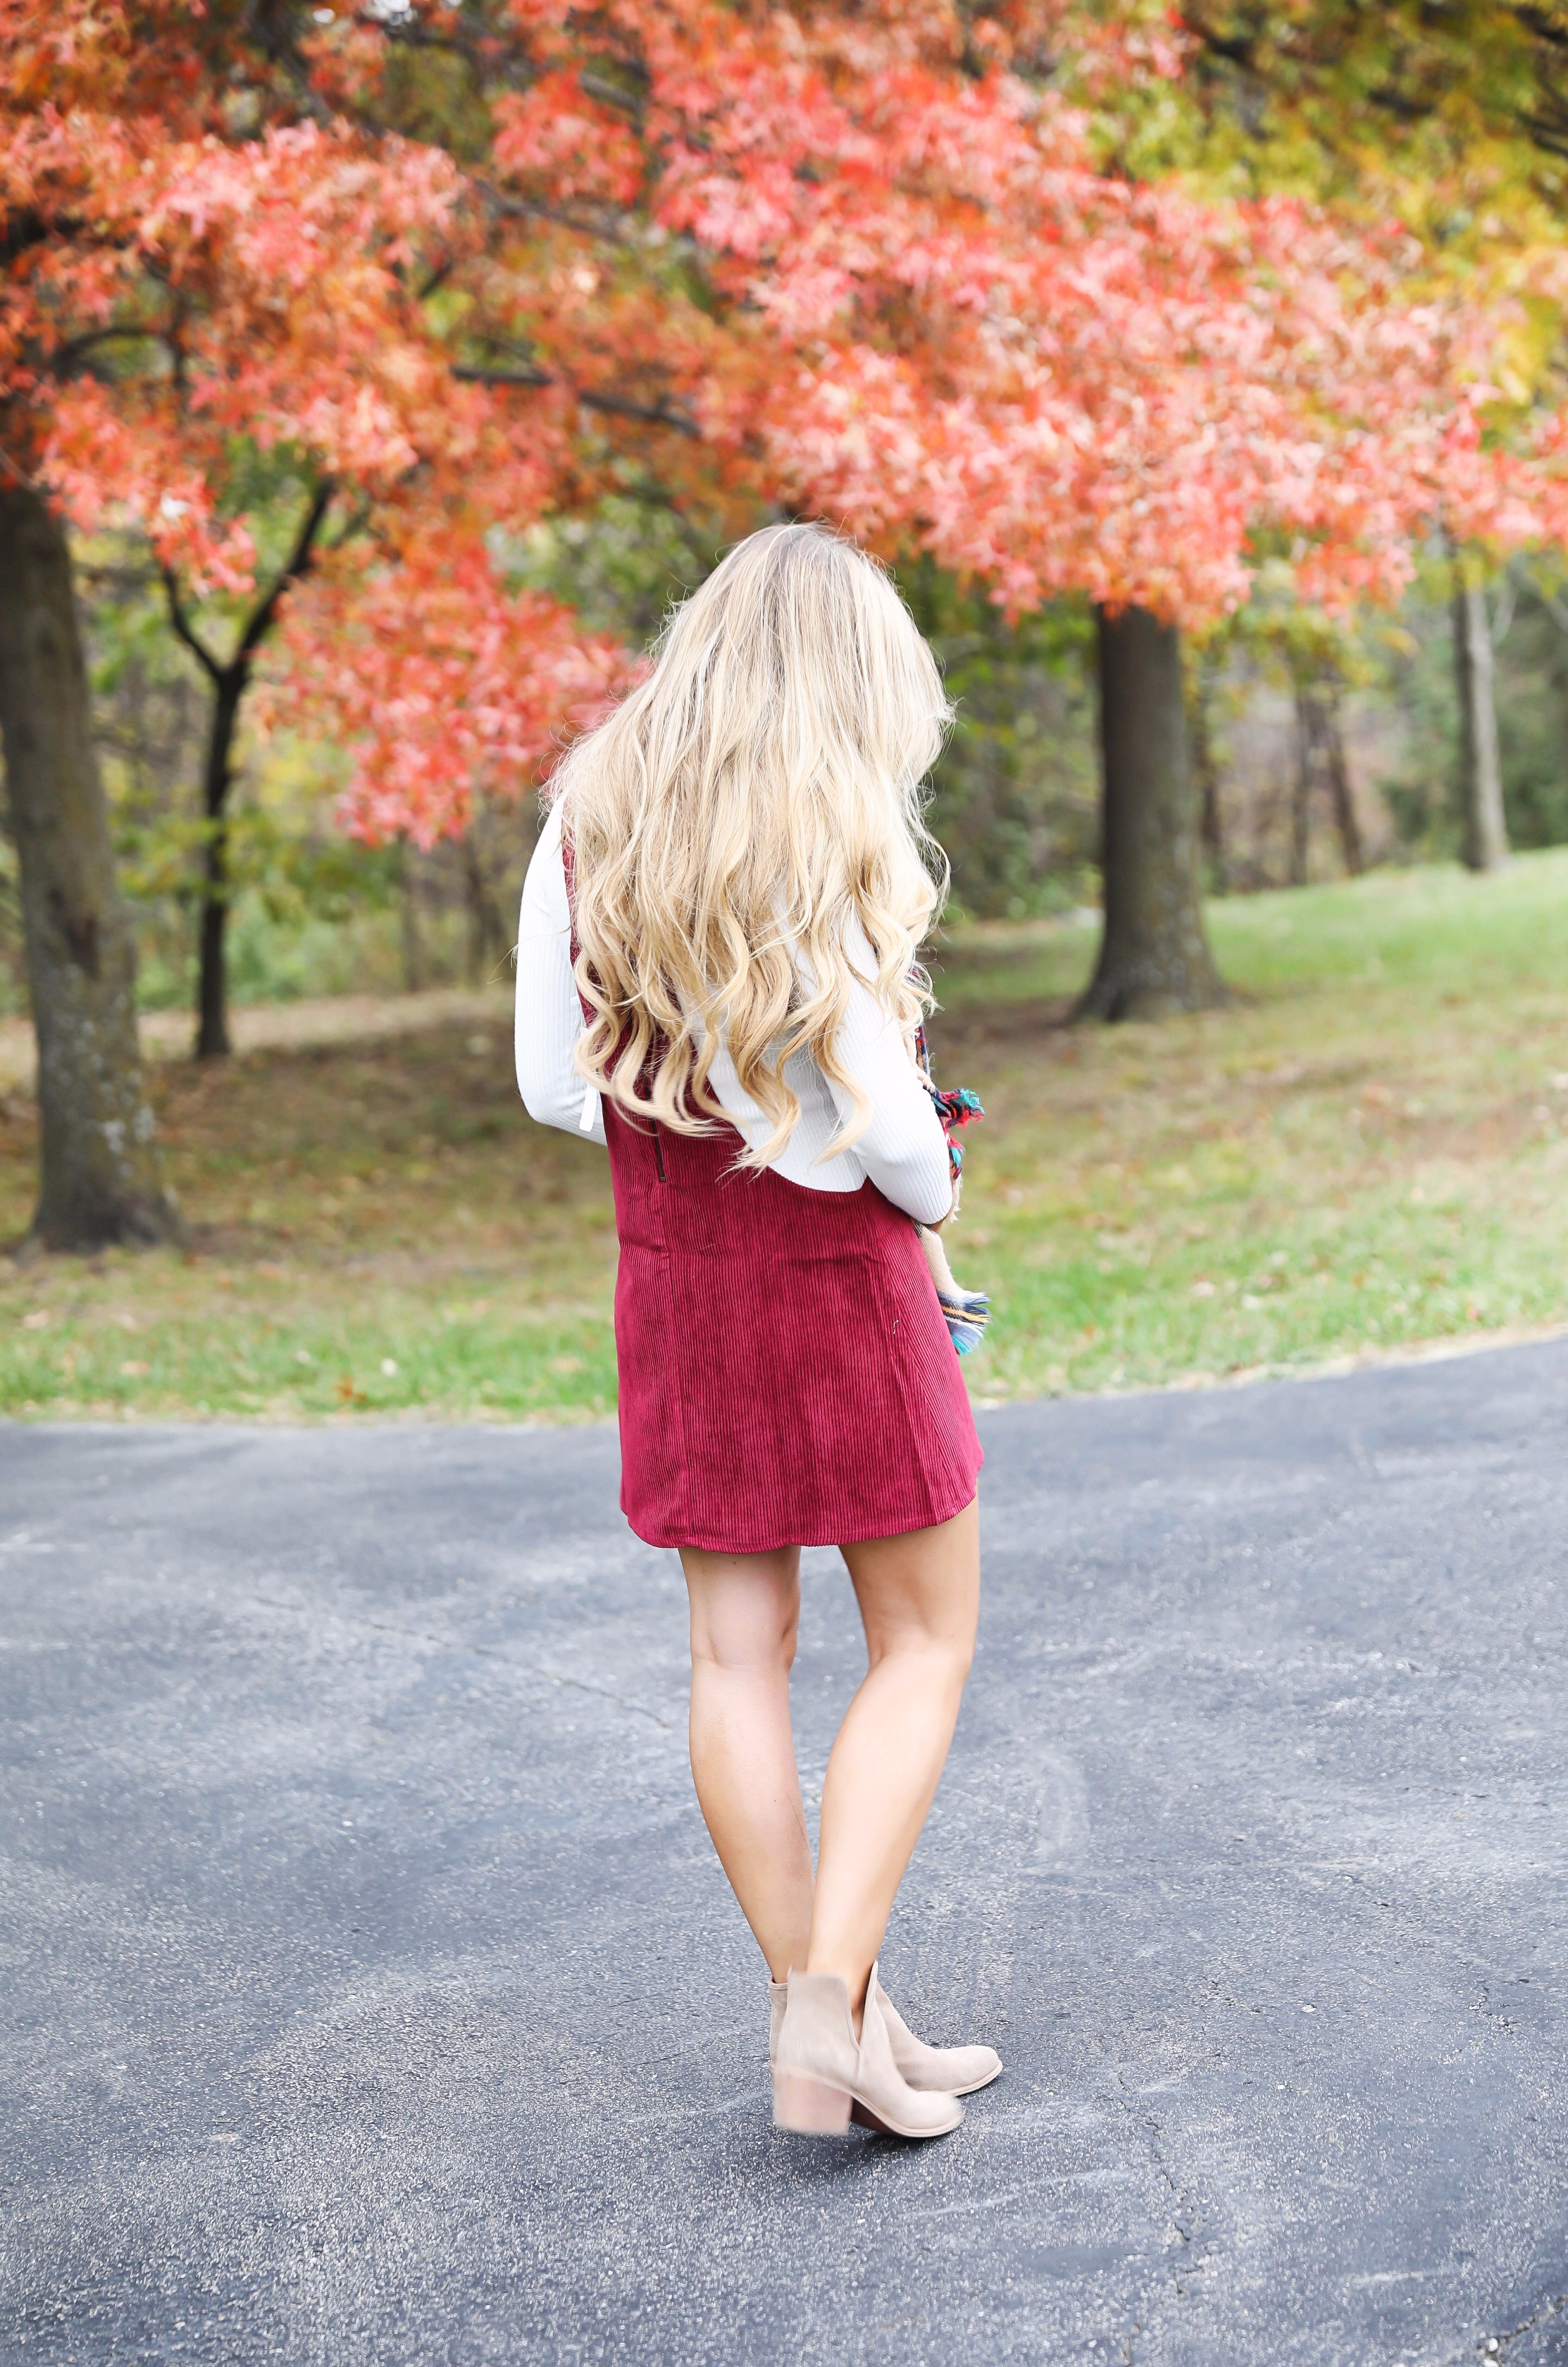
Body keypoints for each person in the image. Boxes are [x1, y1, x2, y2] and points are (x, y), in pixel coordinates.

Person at [514, 521, 1000, 2141]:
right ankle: (824, 2017)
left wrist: (698, 1120)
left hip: (679, 1282)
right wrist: (911, 1156)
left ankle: (840, 2018)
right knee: (922, 1644)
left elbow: (545, 1082)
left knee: (737, 1657)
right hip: (838, 1288)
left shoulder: (589, 819)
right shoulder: (825, 830)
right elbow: (894, 1139)